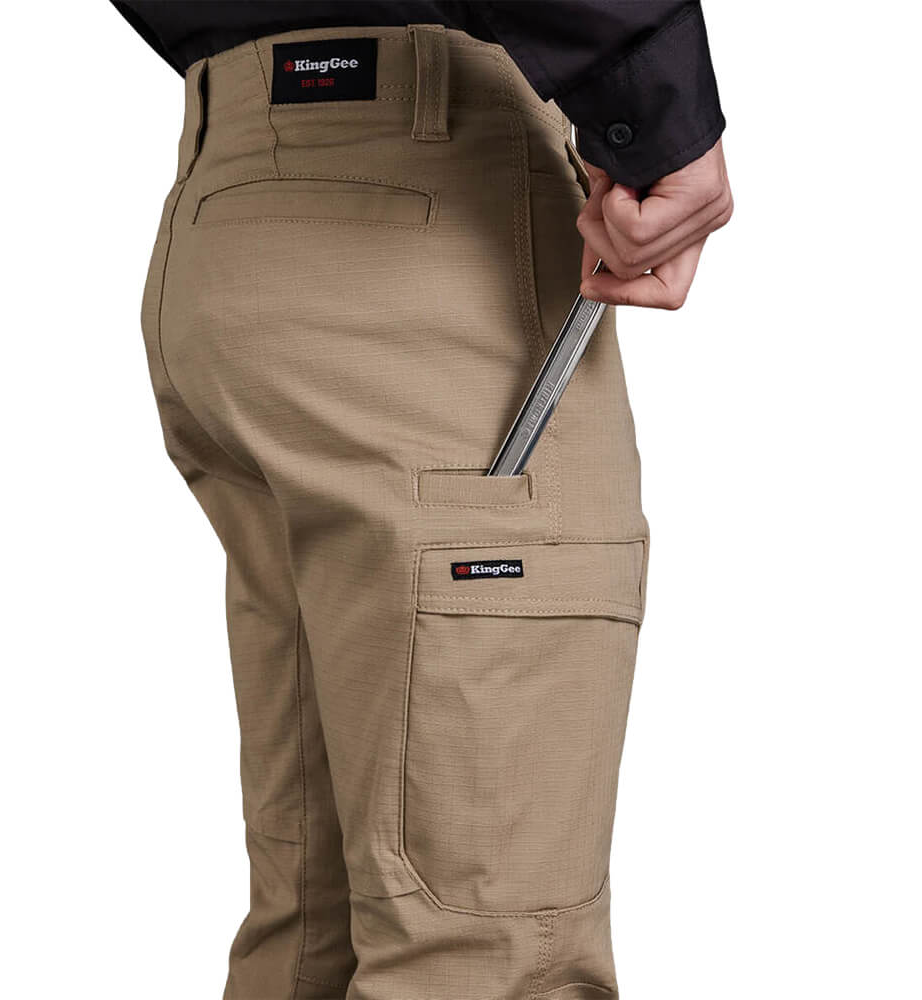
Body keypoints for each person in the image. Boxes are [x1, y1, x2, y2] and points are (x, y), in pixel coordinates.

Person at [110, 3, 732, 997]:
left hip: (236, 196)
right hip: (432, 217)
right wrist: (652, 104)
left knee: (313, 935)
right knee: (486, 955)